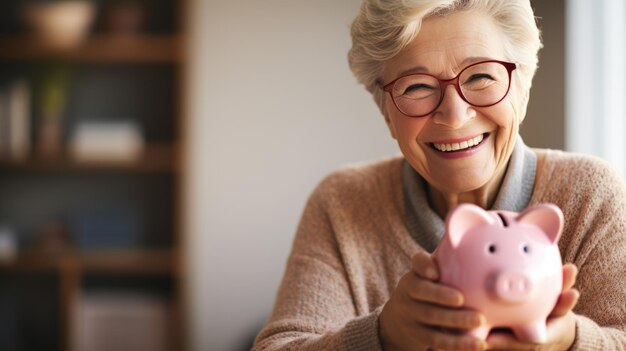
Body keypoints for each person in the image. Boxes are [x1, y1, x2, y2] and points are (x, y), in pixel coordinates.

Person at [253, 0, 626, 350]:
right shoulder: (343, 202)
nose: (454, 114)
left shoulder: (589, 194)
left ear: (523, 88)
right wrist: (385, 335)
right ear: (386, 113)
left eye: (481, 77)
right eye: (417, 87)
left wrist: (571, 341)